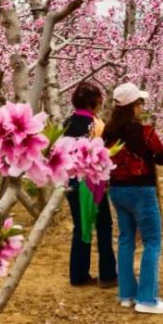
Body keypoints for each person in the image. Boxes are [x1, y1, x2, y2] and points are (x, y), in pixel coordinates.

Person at [104, 82, 163, 314]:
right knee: (152, 242)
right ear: (133, 107)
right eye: (140, 103)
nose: (142, 107)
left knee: (125, 240)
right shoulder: (145, 132)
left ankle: (126, 294)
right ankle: (146, 299)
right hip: (142, 191)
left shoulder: (108, 133)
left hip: (117, 190)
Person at [63, 82, 117, 288]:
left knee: (80, 227)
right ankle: (108, 274)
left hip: (72, 182)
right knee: (103, 225)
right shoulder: (96, 125)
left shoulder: (66, 124)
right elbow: (103, 154)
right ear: (94, 101)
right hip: (93, 183)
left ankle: (78, 274)